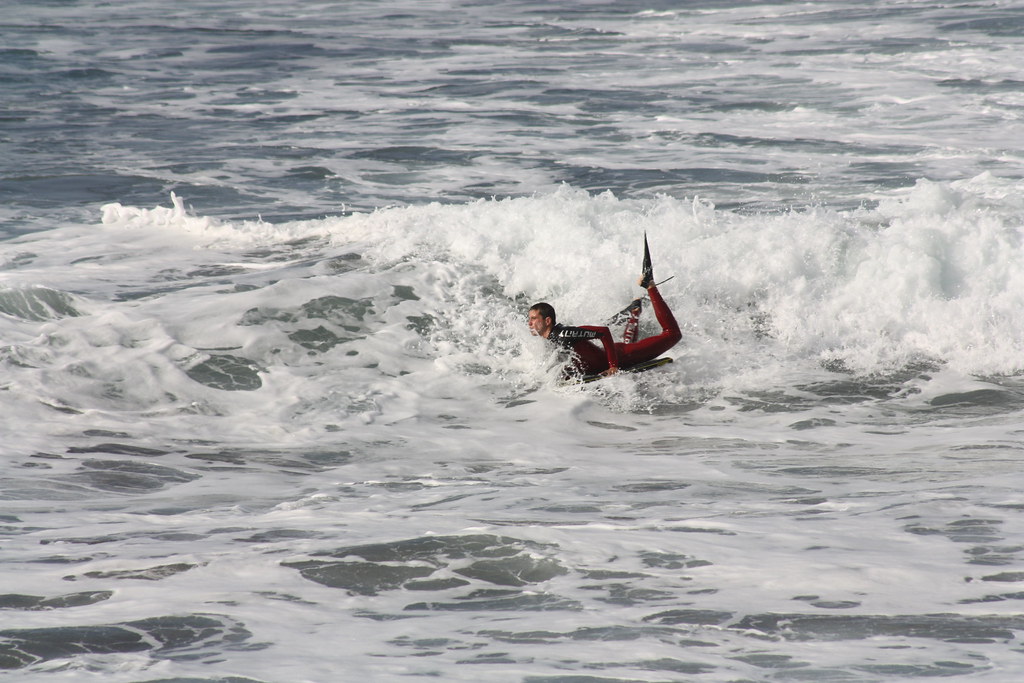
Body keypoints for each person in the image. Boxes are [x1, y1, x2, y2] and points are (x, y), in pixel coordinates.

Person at [528, 268, 681, 378]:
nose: (530, 323)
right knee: (628, 343)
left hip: (623, 357)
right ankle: (634, 311)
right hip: (610, 354)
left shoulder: (565, 333)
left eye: (534, 319)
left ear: (547, 321)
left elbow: (603, 332)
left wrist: (613, 365)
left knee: (672, 334)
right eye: (529, 319)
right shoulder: (549, 338)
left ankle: (650, 286)